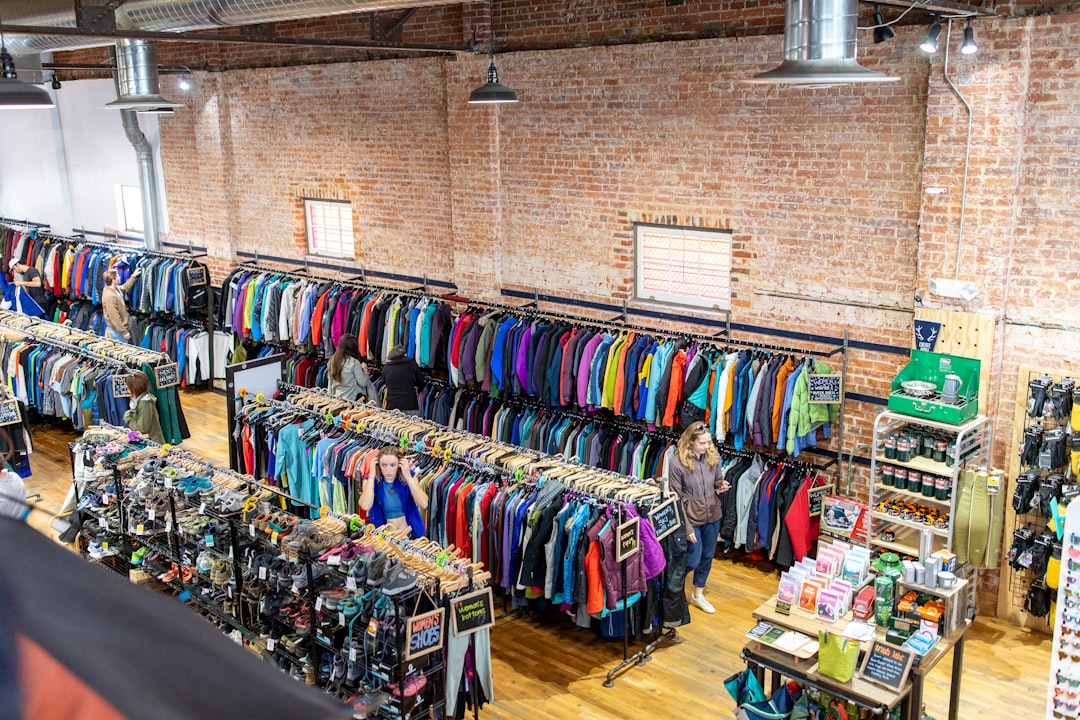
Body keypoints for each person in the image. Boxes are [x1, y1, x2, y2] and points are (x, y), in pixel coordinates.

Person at [667, 421, 730, 614]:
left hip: (712, 513)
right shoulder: (677, 463)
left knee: (707, 557)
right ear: (691, 441)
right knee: (692, 560)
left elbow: (716, 479)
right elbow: (675, 498)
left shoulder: (713, 456)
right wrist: (686, 528)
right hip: (691, 518)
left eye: (709, 442)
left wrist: (721, 484)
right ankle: (672, 589)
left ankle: (697, 595)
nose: (707, 446)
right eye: (702, 443)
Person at [359, 446, 427, 537]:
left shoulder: (408, 476)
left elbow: (423, 503)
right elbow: (365, 505)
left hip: (411, 534)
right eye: (384, 465)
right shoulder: (371, 481)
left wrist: (408, 477)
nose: (388, 470)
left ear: (399, 464)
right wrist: (371, 475)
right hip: (384, 537)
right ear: (378, 464)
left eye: (392, 465)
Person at [327, 334, 377, 402]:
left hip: (337, 399)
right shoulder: (354, 362)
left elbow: (330, 383)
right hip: (352, 400)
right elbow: (363, 383)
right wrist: (365, 370)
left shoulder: (332, 361)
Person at [123, 371, 164, 444]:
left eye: (128, 385)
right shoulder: (139, 400)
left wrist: (128, 418)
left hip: (151, 444)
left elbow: (142, 428)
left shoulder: (145, 404)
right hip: (148, 442)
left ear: (134, 387)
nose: (126, 387)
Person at [381, 346, 423, 414]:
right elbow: (421, 382)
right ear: (404, 354)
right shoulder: (412, 365)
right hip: (410, 404)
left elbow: (385, 382)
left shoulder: (386, 368)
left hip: (392, 405)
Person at [102, 268, 140, 343]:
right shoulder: (109, 296)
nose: (119, 277)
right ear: (113, 280)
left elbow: (124, 288)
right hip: (117, 331)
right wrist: (124, 332)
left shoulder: (115, 290)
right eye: (118, 276)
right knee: (120, 351)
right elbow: (114, 317)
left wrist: (133, 277)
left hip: (119, 330)